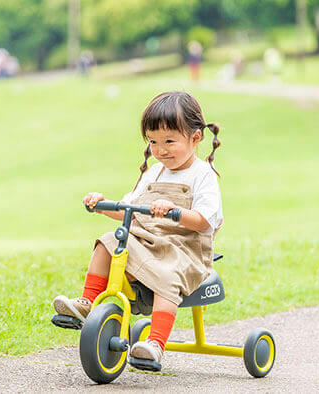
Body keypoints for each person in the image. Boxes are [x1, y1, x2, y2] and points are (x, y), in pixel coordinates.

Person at [53, 91, 223, 367]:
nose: (161, 150)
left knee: (168, 277)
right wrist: (102, 205)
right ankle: (87, 302)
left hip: (184, 252)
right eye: (154, 141)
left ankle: (155, 343)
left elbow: (205, 220)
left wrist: (174, 212)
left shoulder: (202, 175)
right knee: (108, 242)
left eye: (169, 141)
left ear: (195, 138)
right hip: (146, 242)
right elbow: (128, 210)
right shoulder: (153, 172)